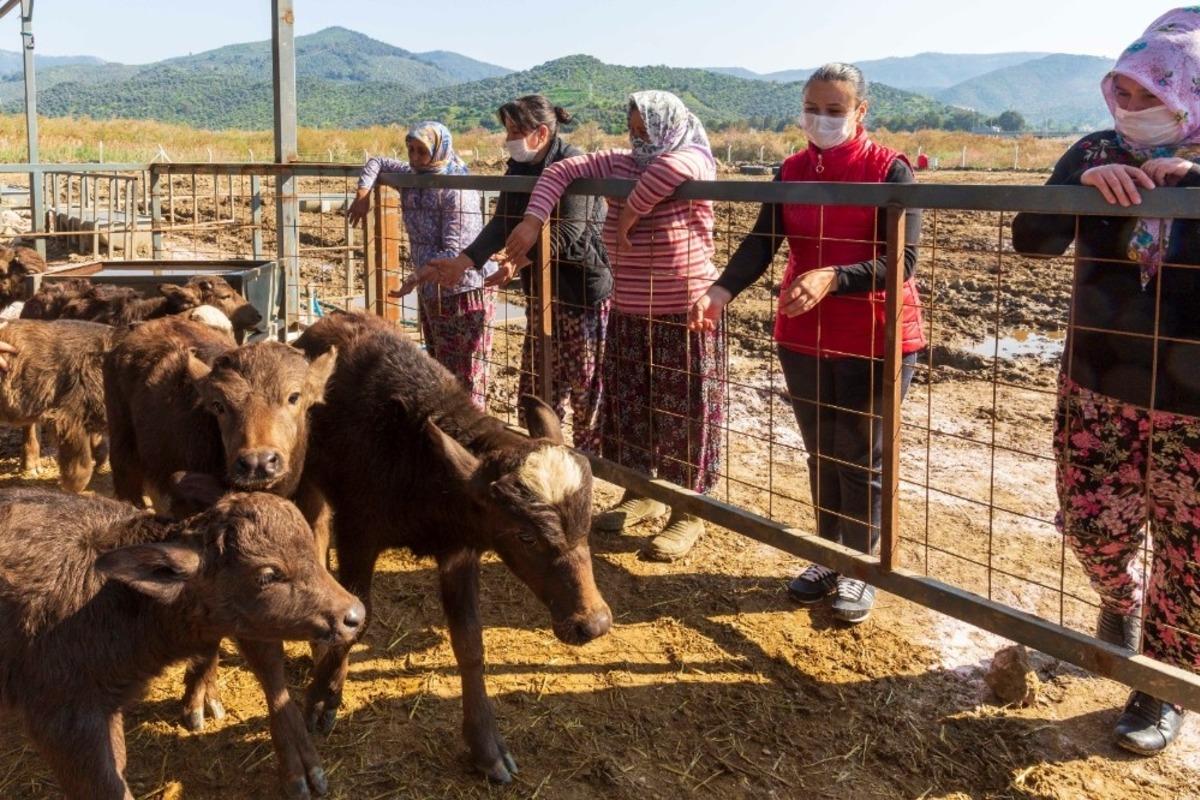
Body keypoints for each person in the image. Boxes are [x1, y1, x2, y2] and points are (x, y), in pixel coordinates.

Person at [1012, 7, 1200, 756]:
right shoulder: (1091, 149)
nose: (1128, 110)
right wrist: (1083, 185)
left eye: (1147, 95)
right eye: (1120, 92)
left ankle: (1162, 685)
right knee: (1094, 525)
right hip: (1097, 383)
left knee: (1191, 554)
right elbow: (1032, 239)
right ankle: (1117, 601)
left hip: (1195, 403)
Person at [691, 63, 926, 624]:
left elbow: (904, 262)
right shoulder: (790, 170)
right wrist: (721, 290)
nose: (822, 119)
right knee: (822, 449)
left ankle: (862, 567)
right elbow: (763, 239)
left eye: (835, 110)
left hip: (875, 335)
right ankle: (828, 554)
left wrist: (833, 276)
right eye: (813, 108)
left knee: (861, 457)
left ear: (860, 112)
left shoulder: (891, 172)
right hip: (803, 334)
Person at [502, 91, 724, 562]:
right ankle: (639, 491)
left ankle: (688, 510)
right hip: (627, 305)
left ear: (669, 125)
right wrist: (533, 219)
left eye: (646, 128)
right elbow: (560, 171)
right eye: (633, 128)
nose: (638, 138)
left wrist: (633, 210)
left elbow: (677, 168)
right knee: (630, 405)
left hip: (682, 308)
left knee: (684, 413)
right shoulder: (623, 161)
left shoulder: (693, 157)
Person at [423, 96, 612, 453]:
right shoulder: (519, 168)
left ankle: (589, 463)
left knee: (586, 387)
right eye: (507, 130)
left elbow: (569, 231)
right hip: (541, 292)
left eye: (515, 130)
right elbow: (502, 223)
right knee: (540, 384)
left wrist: (518, 261)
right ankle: (546, 453)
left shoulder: (572, 161)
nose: (508, 138)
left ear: (541, 133)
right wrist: (465, 261)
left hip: (578, 293)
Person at [347, 122, 498, 409]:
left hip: (461, 289)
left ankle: (472, 436)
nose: (415, 158)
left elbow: (455, 251)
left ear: (439, 150)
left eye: (422, 151)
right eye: (411, 150)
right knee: (440, 367)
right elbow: (376, 161)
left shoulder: (456, 188)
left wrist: (416, 277)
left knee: (465, 374)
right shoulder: (412, 176)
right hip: (431, 287)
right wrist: (363, 194)